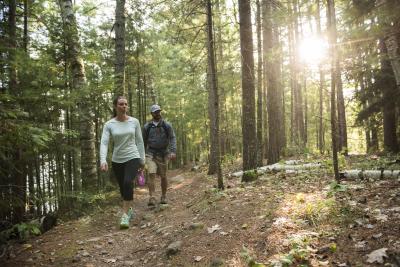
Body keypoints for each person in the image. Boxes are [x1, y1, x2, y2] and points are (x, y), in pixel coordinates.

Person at [99, 96, 145, 229]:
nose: (124, 106)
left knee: (127, 182)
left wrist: (141, 159)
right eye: (121, 104)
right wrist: (103, 160)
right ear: (115, 106)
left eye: (126, 104)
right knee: (123, 188)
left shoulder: (134, 122)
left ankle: (124, 216)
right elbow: (104, 143)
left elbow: (140, 141)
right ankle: (129, 209)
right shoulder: (109, 124)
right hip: (117, 160)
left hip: (133, 156)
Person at [143, 104, 176, 207]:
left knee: (163, 176)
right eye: (155, 112)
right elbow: (142, 141)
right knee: (151, 173)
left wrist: (173, 151)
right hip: (150, 153)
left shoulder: (167, 125)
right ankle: (152, 197)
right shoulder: (146, 127)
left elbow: (172, 138)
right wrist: (141, 155)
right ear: (152, 113)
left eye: (159, 111)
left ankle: (164, 196)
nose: (158, 113)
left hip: (163, 154)